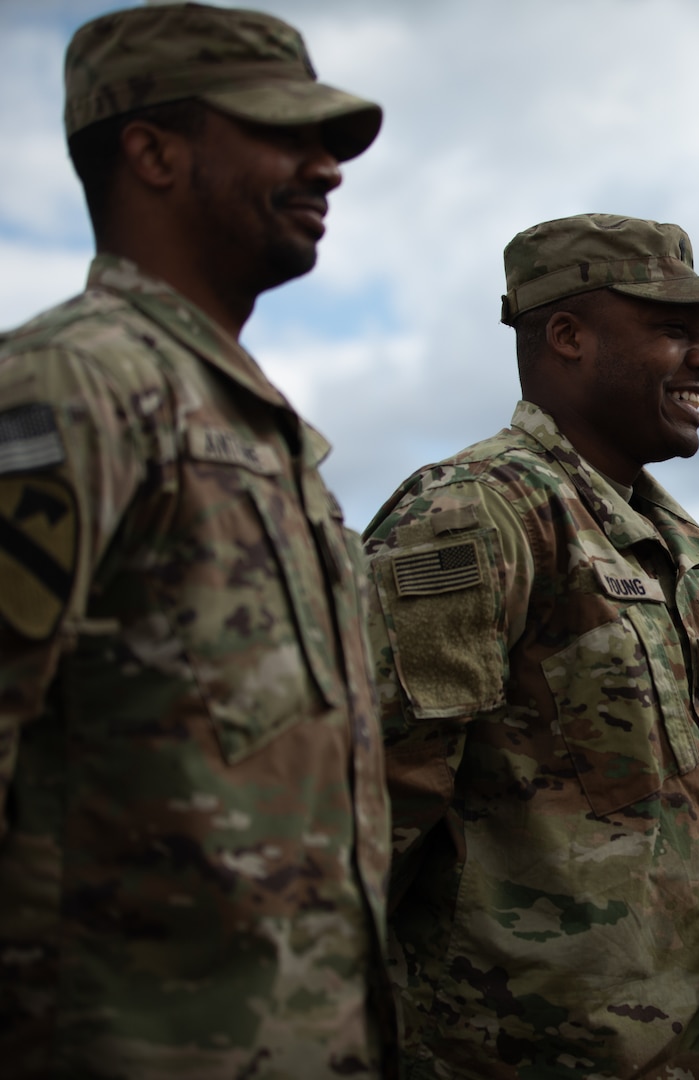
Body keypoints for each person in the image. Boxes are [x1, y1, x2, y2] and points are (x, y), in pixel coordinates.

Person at [0, 4, 390, 1076]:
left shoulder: (256, 431)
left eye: (331, 143)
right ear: (152, 151)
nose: (327, 170)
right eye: (282, 131)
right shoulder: (73, 387)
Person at [364, 213, 699, 1078]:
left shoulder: (670, 550)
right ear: (567, 336)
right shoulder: (475, 515)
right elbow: (371, 813)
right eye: (671, 330)